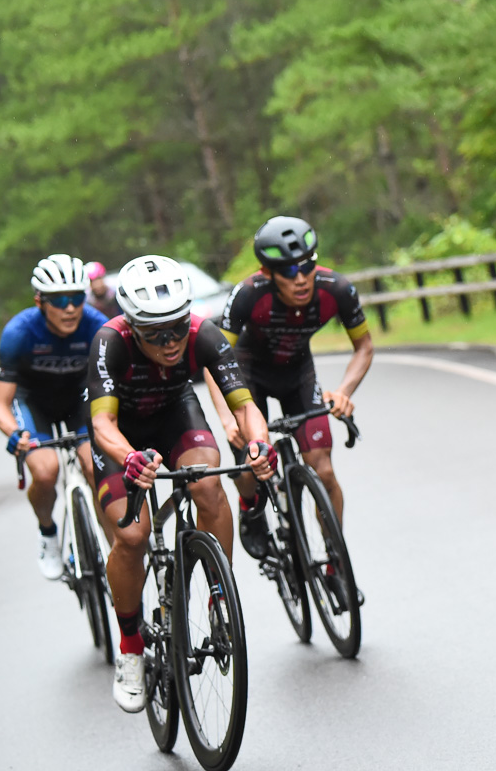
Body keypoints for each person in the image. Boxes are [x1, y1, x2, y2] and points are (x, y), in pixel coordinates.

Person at [87, 254, 275, 713]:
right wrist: (129, 457)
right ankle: (130, 648)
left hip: (174, 414)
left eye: (176, 327)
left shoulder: (201, 333)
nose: (171, 341)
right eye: (156, 333)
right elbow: (103, 425)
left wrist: (259, 445)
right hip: (121, 435)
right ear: (133, 326)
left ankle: (218, 600)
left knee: (209, 486)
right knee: (131, 536)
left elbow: (245, 406)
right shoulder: (110, 342)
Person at [214, 217, 373, 597]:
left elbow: (364, 347)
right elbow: (215, 358)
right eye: (288, 271)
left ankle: (335, 562)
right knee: (252, 458)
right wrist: (226, 416)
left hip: (297, 373)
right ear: (268, 273)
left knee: (324, 469)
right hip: (247, 373)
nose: (300, 278)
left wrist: (344, 391)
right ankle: (250, 505)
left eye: (307, 265)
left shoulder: (337, 289)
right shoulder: (248, 294)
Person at [0, 254, 108, 579]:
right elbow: (1, 405)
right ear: (40, 301)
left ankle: (118, 553)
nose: (70, 308)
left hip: (78, 402)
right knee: (45, 471)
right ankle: (48, 532)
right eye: (59, 300)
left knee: (94, 466)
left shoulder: (97, 325)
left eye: (76, 298)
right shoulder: (19, 333)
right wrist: (14, 433)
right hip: (34, 405)